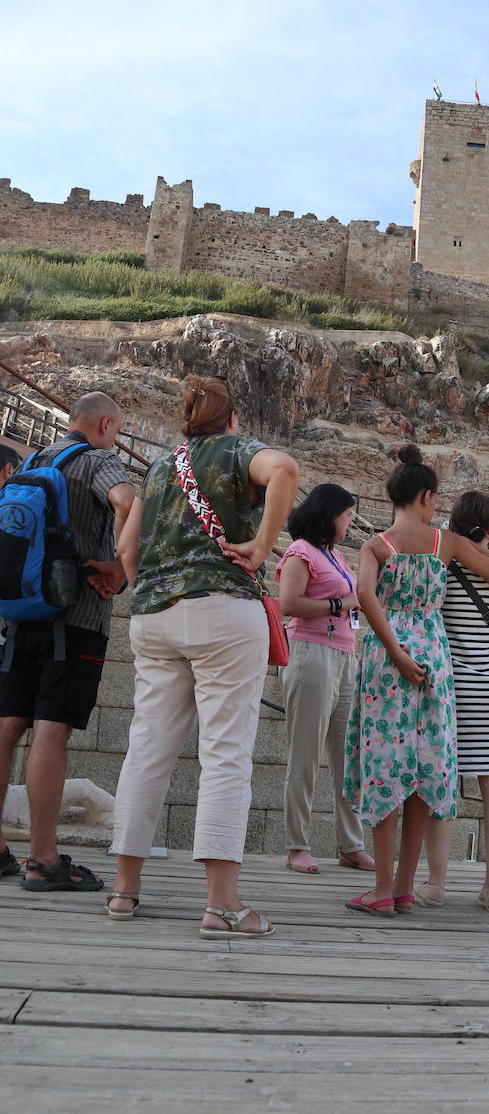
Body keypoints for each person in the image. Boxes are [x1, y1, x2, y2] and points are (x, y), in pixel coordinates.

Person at [108, 375, 298, 938]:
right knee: (225, 754)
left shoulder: (162, 466)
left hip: (153, 616)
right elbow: (285, 470)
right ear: (232, 417)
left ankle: (124, 890)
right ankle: (222, 905)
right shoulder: (239, 452)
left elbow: (125, 547)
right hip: (222, 610)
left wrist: (152, 593)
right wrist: (262, 547)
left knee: (146, 748)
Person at [341, 444, 489, 918]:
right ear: (427, 497)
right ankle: (401, 887)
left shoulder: (376, 546)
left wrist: (395, 650)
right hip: (435, 657)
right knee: (422, 770)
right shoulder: (446, 544)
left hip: (386, 657)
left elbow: (364, 594)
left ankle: (380, 888)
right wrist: (471, 542)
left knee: (385, 765)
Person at [0, 393, 134, 887]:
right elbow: (126, 501)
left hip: (19, 613)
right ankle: (44, 860)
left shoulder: (32, 459)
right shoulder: (99, 459)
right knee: (51, 730)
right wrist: (121, 566)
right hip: (75, 615)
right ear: (105, 424)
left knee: (7, 725)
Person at [417, 491, 489, 913]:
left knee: (442, 780)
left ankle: (437, 883)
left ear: (453, 525)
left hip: (453, 685)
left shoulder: (440, 568)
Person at [276, 484, 375, 874]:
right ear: (328, 514)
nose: (350, 522)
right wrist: (339, 603)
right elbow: (288, 603)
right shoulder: (301, 551)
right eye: (347, 514)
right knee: (305, 755)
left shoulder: (337, 556)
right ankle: (297, 845)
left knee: (347, 757)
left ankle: (350, 844)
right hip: (310, 654)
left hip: (345, 656)